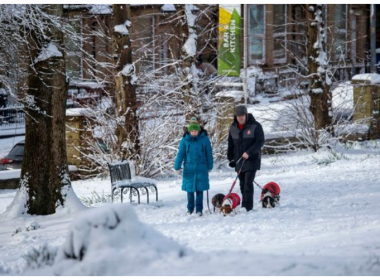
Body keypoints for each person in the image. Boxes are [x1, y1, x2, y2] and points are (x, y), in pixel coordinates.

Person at [228, 105, 265, 212]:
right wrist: (231, 159)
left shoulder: (255, 126)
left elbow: (260, 141)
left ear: (246, 115)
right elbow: (230, 144)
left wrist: (249, 152)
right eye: (238, 116)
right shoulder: (233, 127)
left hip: (252, 160)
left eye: (242, 115)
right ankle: (245, 203)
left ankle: (247, 206)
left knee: (248, 183)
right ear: (236, 116)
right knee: (242, 183)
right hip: (239, 161)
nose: (240, 118)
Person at [175, 117, 214, 217]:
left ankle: (199, 210)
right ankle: (190, 209)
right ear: (189, 131)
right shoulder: (185, 140)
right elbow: (181, 153)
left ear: (198, 130)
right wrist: (177, 166)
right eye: (192, 131)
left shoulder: (204, 139)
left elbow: (208, 153)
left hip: (201, 168)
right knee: (190, 190)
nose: (194, 133)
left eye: (195, 131)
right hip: (189, 168)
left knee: (200, 190)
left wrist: (210, 165)